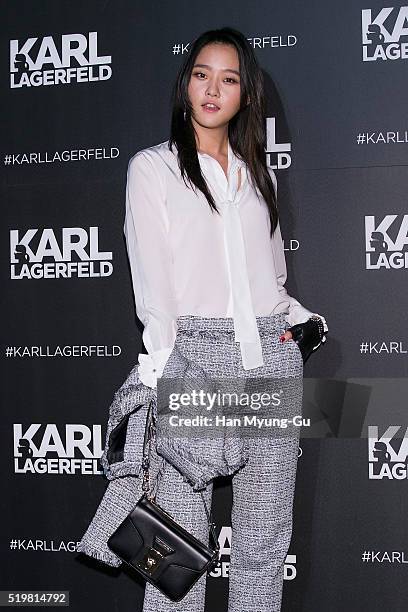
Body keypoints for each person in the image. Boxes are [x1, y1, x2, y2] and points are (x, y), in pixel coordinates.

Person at [123, 27, 328, 612]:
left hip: (269, 361)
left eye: (229, 78)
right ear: (185, 82)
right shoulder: (154, 170)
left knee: (264, 545)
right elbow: (154, 289)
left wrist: (300, 323)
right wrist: (163, 376)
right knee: (174, 550)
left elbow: (271, 280)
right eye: (201, 74)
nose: (213, 89)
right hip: (194, 360)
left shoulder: (255, 174)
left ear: (246, 94)